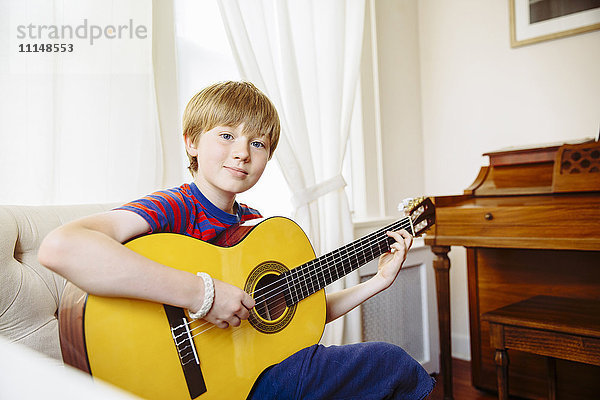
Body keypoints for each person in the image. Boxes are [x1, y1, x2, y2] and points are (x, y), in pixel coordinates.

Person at [38, 81, 434, 399]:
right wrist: (201, 295)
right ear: (192, 142)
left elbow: (297, 314)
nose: (242, 153)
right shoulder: (175, 206)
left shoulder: (255, 226)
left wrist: (377, 282)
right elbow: (62, 247)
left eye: (258, 143)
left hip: (250, 377)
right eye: (226, 135)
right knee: (390, 363)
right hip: (194, 386)